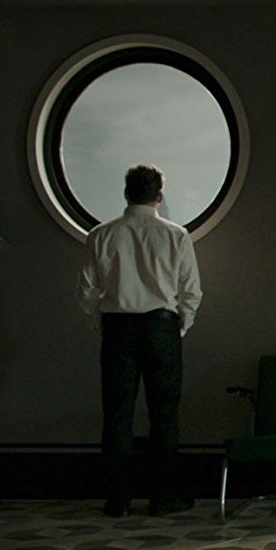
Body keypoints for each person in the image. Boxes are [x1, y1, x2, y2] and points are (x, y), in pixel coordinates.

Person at [77, 164, 203, 518]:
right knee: (164, 414)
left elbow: (87, 292)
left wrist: (103, 324)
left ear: (125, 194)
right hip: (161, 328)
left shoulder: (101, 235)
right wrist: (179, 327)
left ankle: (118, 499)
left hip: (118, 329)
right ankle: (163, 497)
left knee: (117, 413)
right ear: (159, 196)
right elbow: (191, 291)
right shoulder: (176, 236)